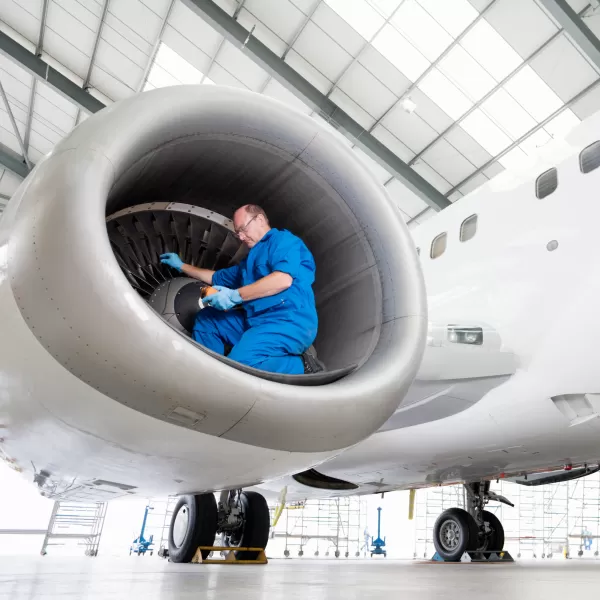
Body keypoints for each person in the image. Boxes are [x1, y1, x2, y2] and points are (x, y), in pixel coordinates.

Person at [160, 204, 318, 375]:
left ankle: (301, 365)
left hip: (288, 321)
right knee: (208, 320)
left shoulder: (284, 241)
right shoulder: (247, 264)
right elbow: (214, 277)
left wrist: (235, 295)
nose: (241, 236)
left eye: (243, 229)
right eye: (238, 232)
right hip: (256, 322)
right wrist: (181, 265)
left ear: (259, 219)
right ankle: (209, 375)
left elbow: (282, 280)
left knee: (241, 364)